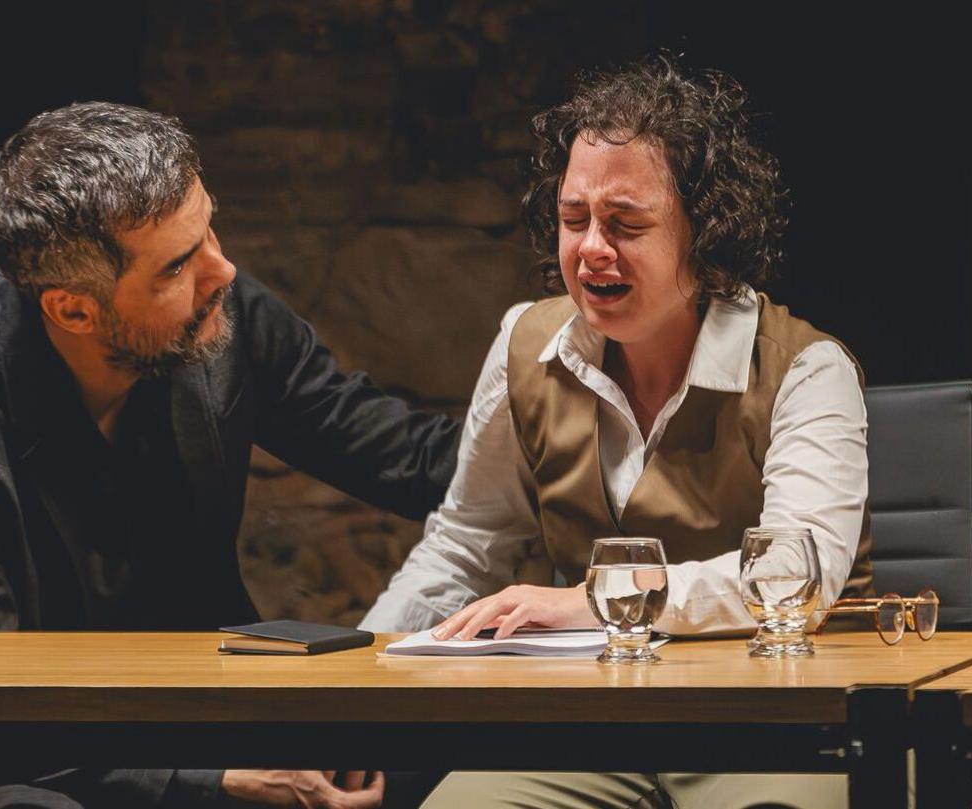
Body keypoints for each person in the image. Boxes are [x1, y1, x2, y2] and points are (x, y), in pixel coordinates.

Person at [0, 102, 459, 808]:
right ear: (73, 310)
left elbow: (408, 457)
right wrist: (213, 784)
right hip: (24, 763)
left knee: (431, 757)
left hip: (203, 716)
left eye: (208, 227)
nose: (224, 269)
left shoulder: (224, 313)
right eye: (178, 264)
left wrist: (586, 439)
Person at [360, 54, 872, 809]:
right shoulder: (524, 344)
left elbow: (798, 580)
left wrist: (600, 598)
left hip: (779, 726)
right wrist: (346, 690)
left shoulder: (807, 370)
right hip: (600, 728)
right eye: (574, 220)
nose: (591, 247)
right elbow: (467, 545)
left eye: (626, 225)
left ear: (708, 234)